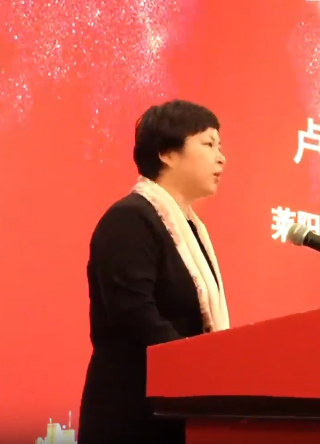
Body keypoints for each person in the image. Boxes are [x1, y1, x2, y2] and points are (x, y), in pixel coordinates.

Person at [77, 100, 230, 444]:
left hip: (179, 412)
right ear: (166, 153)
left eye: (220, 146)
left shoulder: (191, 232)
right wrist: (203, 370)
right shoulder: (129, 219)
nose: (221, 158)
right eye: (208, 144)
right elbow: (135, 316)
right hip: (133, 414)